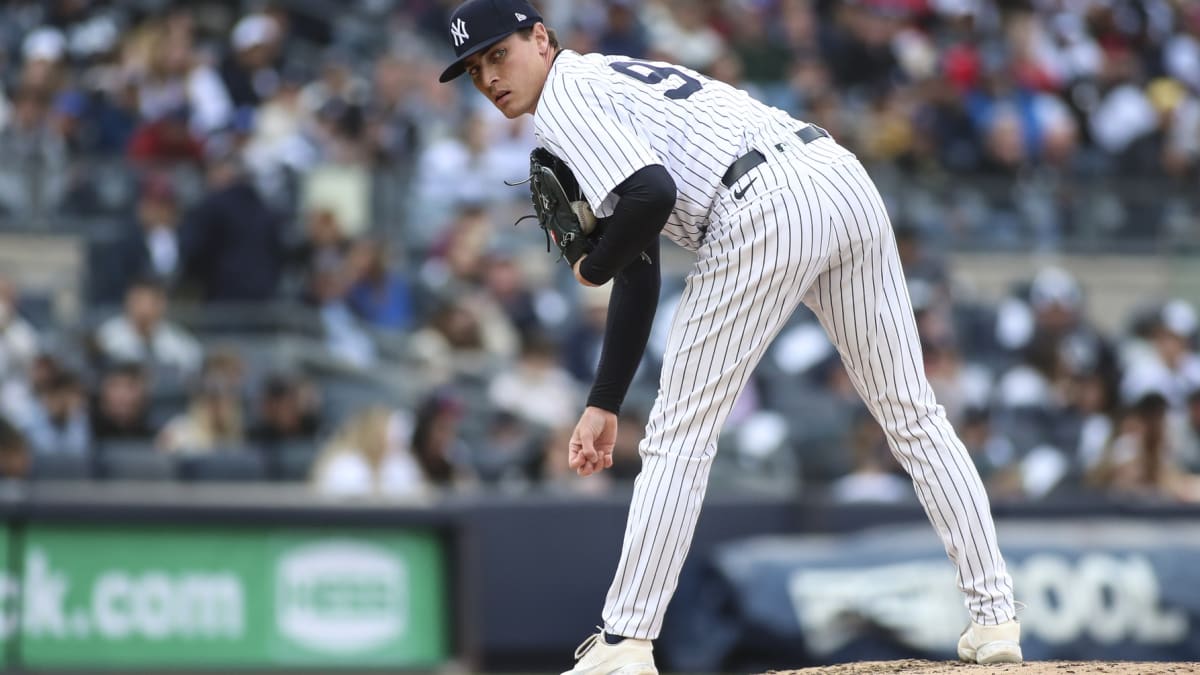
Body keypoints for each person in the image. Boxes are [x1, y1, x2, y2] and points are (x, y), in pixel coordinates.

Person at [438, 2, 1022, 672]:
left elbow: (651, 198)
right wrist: (603, 400)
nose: (488, 77)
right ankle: (995, 617)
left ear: (540, 38)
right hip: (837, 176)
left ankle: (625, 640)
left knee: (678, 434)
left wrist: (588, 264)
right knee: (914, 414)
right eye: (475, 69)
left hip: (764, 203)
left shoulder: (565, 101)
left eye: (497, 55)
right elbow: (642, 268)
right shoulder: (609, 79)